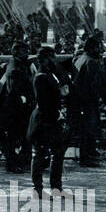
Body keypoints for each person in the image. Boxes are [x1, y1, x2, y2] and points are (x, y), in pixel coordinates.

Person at [69, 35, 106, 168]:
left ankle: (89, 153)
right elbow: (95, 82)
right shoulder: (91, 62)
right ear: (93, 48)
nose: (100, 49)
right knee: (88, 128)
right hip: (87, 100)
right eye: (98, 46)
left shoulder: (80, 58)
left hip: (78, 98)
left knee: (85, 128)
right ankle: (86, 157)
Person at [30, 46, 67, 195]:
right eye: (52, 58)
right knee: (39, 154)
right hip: (44, 120)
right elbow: (44, 101)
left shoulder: (49, 74)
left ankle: (56, 188)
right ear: (45, 60)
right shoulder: (41, 77)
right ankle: (37, 189)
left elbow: (61, 92)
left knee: (57, 154)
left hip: (52, 118)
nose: (54, 61)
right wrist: (55, 114)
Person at [0, 41, 35, 174]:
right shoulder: (15, 68)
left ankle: (20, 161)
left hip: (18, 107)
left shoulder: (17, 64)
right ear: (16, 52)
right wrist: (24, 100)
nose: (27, 53)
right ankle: (12, 164)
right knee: (14, 136)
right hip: (15, 108)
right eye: (24, 51)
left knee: (20, 136)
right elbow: (14, 89)